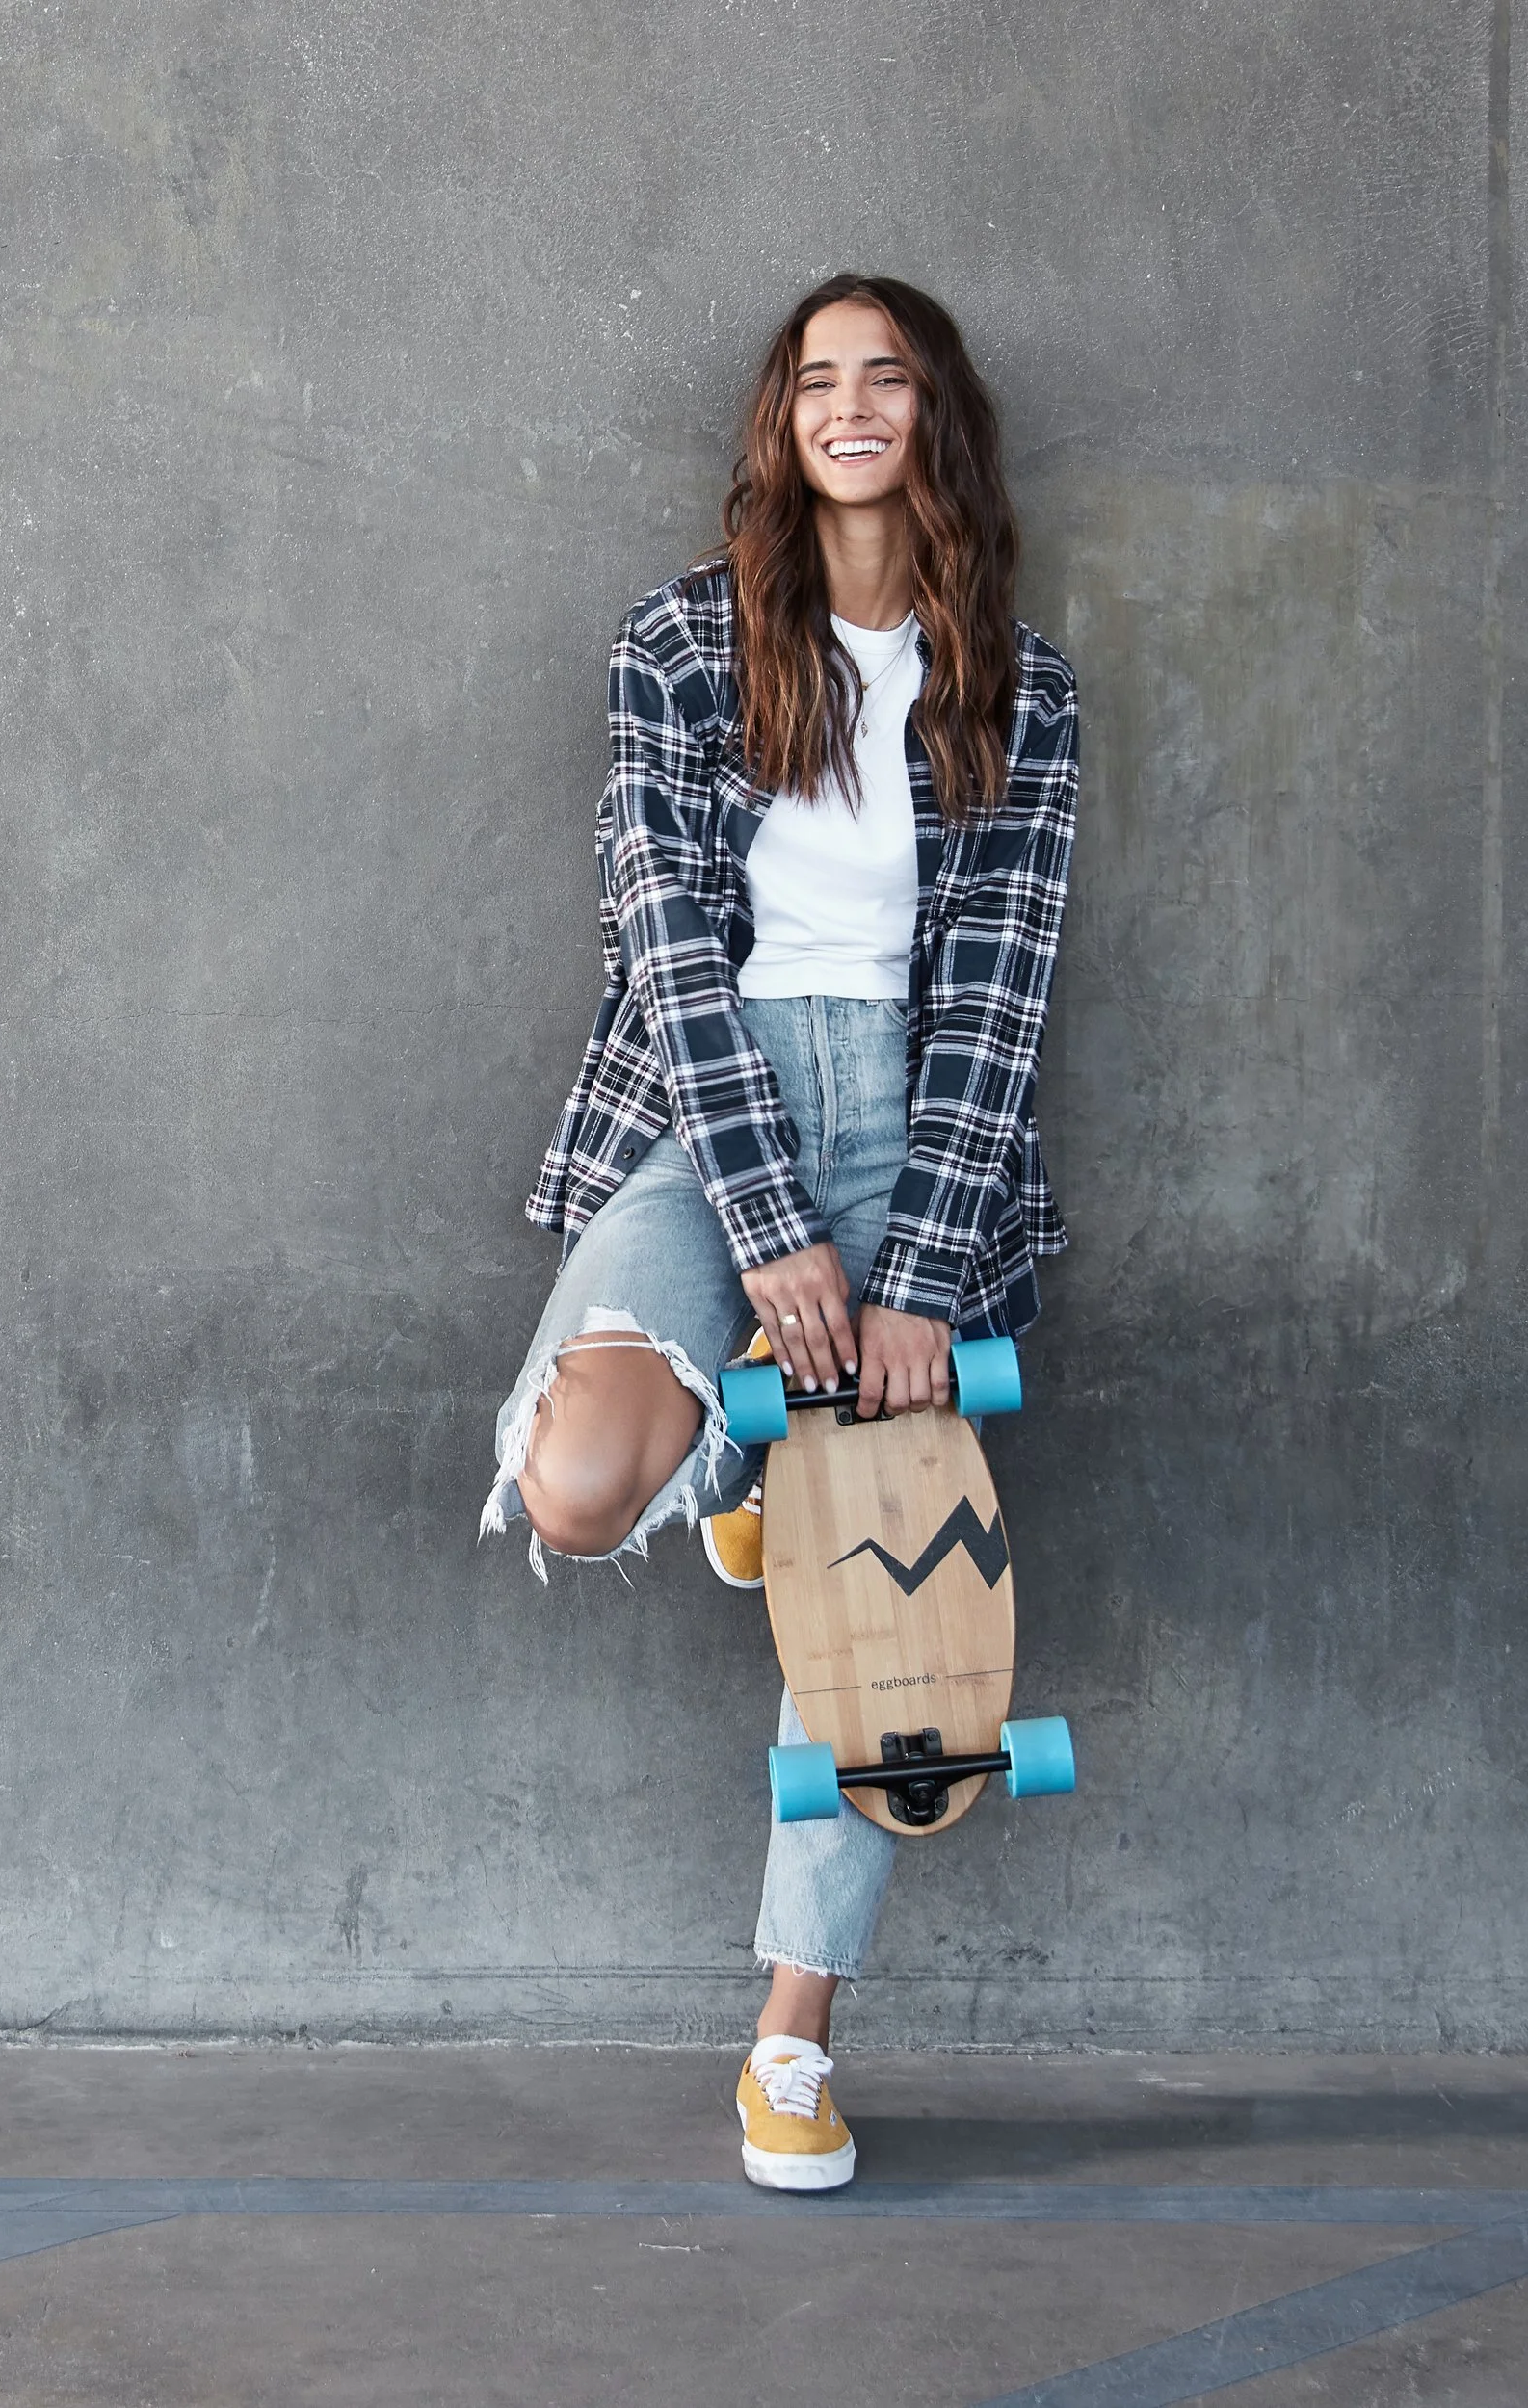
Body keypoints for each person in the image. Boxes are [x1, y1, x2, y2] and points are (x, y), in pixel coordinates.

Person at [480, 274, 1079, 2190]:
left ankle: (789, 2044)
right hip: (699, 1107)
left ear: (930, 418)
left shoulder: (1018, 686)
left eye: (881, 376)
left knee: (875, 1647)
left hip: (916, 1134)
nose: (847, 406)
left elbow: (1000, 992)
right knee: (576, 1481)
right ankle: (745, 1431)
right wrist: (765, 1235)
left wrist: (914, 1266)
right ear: (779, 421)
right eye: (813, 379)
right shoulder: (677, 643)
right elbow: (666, 953)